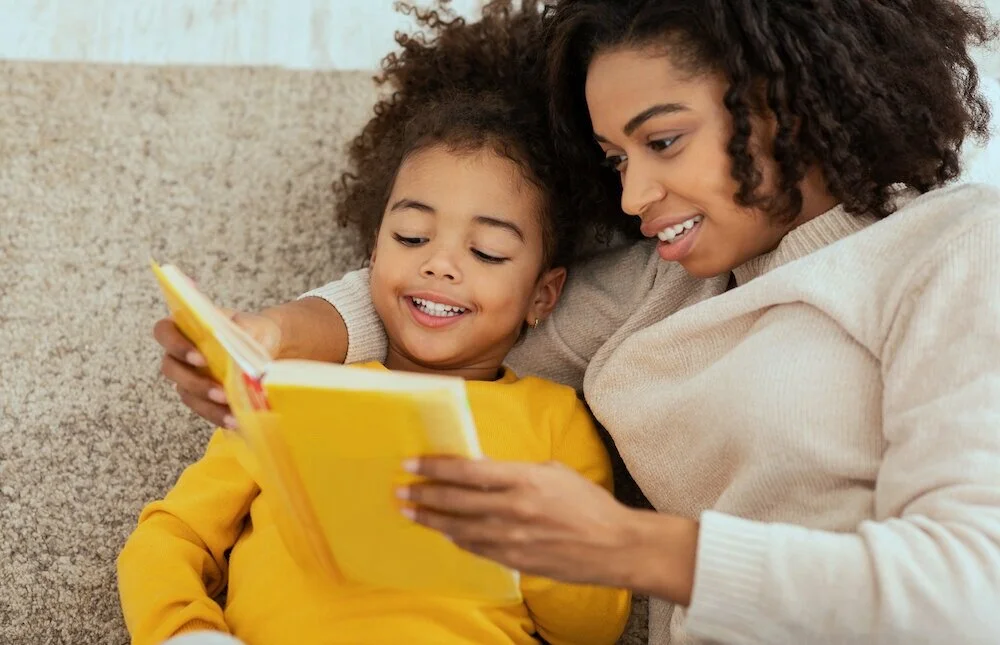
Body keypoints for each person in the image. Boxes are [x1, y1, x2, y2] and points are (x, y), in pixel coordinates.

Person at [156, 1, 1000, 643]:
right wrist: (269, 339)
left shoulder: (953, 248)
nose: (634, 200)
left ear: (788, 98)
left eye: (663, 141)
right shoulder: (654, 286)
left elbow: (970, 594)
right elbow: (457, 312)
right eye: (615, 161)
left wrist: (631, 548)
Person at [120, 7, 631, 645]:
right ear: (372, 254)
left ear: (544, 294)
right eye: (411, 236)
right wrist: (187, 632)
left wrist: (546, 538)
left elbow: (592, 628)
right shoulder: (292, 388)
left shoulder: (553, 420)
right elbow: (172, 534)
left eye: (488, 253)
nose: (440, 264)